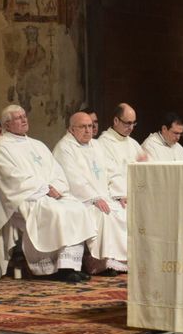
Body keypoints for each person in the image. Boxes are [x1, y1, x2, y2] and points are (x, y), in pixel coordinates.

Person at [0, 104, 98, 282]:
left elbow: (57, 171)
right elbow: (12, 178)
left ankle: (70, 265)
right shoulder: (3, 146)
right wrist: (45, 189)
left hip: (47, 193)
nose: (24, 120)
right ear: (7, 124)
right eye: (18, 118)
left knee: (77, 208)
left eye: (24, 116)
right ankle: (54, 268)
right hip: (24, 197)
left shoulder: (37, 145)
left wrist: (56, 187)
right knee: (56, 212)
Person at [52, 112, 128, 274]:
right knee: (102, 214)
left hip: (103, 196)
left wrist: (119, 194)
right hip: (79, 198)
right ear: (72, 129)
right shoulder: (65, 148)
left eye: (90, 126)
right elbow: (73, 178)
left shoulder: (96, 145)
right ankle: (97, 262)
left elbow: (112, 171)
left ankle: (115, 260)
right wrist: (94, 198)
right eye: (83, 127)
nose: (88, 130)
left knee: (123, 211)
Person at [97, 102, 148, 203]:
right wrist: (121, 195)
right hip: (119, 196)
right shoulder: (104, 143)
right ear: (116, 120)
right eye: (128, 123)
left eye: (133, 123)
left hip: (138, 193)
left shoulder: (133, 143)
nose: (131, 127)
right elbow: (110, 174)